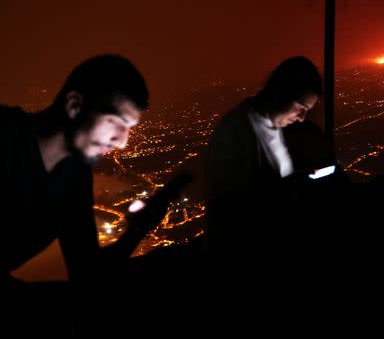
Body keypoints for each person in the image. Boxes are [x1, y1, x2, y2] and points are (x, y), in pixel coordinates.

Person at [0, 55, 184, 332]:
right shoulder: (4, 134)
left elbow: (88, 275)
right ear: (75, 105)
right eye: (116, 122)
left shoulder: (73, 176)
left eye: (129, 129)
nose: (122, 142)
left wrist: (139, 228)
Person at [203, 56, 324, 324]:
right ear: (281, 92)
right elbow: (228, 207)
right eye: (300, 107)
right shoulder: (236, 131)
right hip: (243, 276)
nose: (302, 117)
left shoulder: (279, 129)